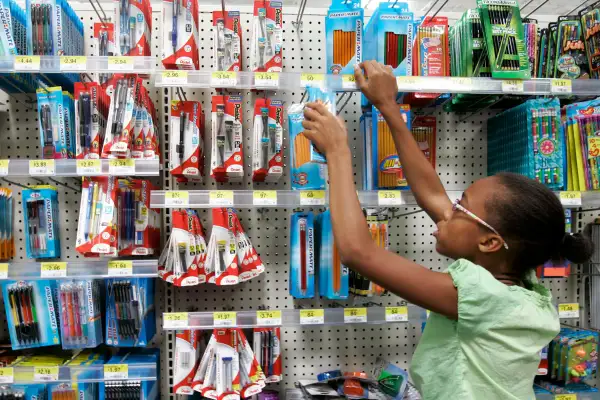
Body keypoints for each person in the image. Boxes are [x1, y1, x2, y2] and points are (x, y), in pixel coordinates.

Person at [301, 60, 594, 400]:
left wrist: (338, 150)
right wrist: (389, 107)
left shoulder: (482, 298)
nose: (447, 211)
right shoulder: (517, 279)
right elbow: (434, 196)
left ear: (489, 242)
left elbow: (358, 252)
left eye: (461, 207)